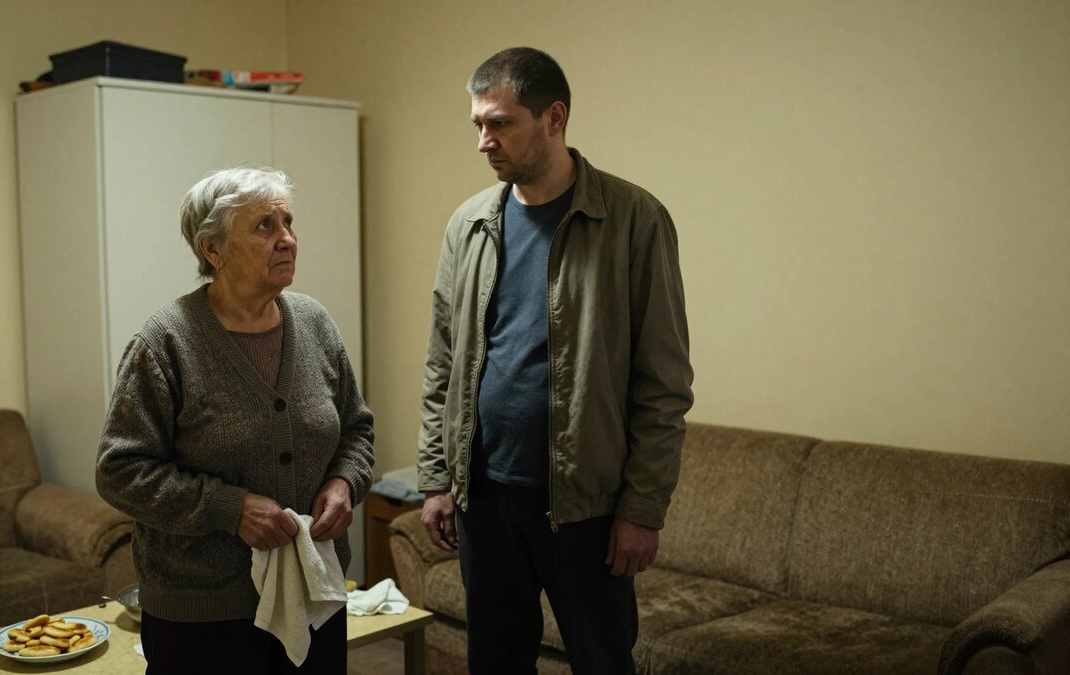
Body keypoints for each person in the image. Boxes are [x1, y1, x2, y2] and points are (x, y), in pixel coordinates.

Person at [416, 47, 694, 674]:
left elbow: (664, 385)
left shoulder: (634, 220)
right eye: (478, 125)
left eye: (500, 123)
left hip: (584, 508)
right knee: (495, 662)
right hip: (485, 498)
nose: (484, 142)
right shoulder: (469, 224)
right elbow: (442, 363)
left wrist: (641, 510)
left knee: (602, 662)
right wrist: (436, 479)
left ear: (554, 117)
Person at [96, 167, 374, 674]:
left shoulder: (315, 323)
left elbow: (355, 428)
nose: (287, 239)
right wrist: (230, 508)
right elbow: (120, 471)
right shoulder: (164, 344)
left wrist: (344, 483)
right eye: (265, 226)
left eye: (288, 222)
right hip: (204, 615)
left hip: (315, 593)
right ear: (213, 250)